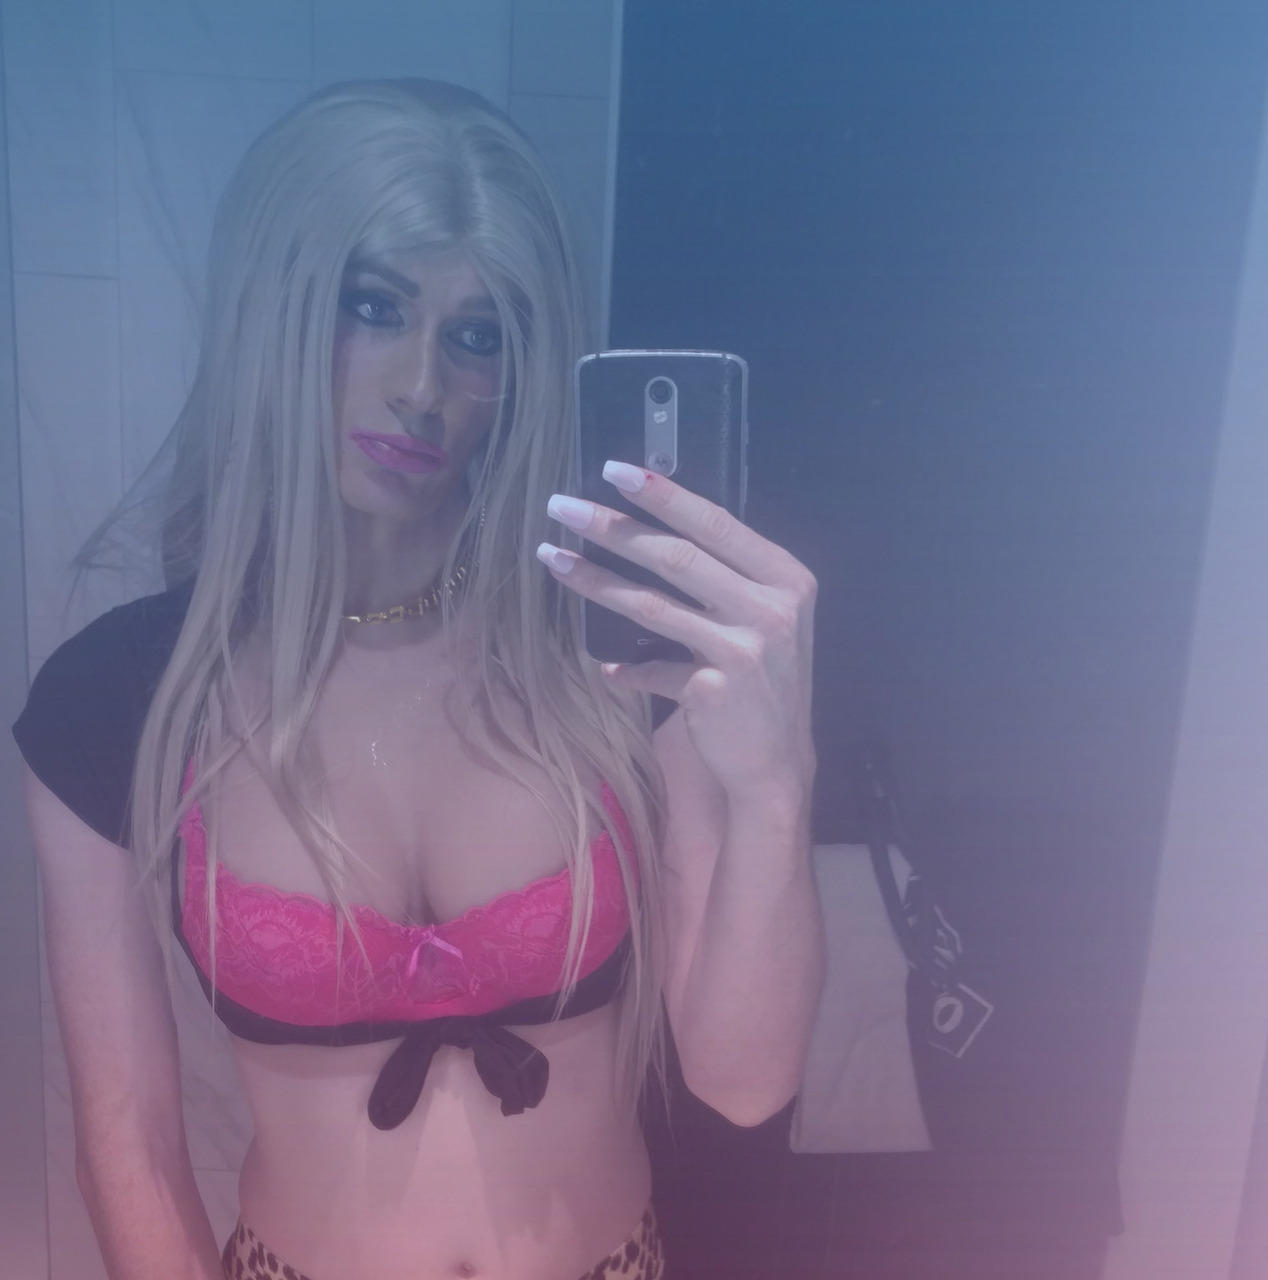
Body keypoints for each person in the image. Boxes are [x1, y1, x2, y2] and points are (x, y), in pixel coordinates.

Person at [14, 79, 822, 1280]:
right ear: (273, 309)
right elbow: (126, 1138)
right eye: (373, 306)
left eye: (476, 333)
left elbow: (744, 1081)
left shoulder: (616, 655)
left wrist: (773, 782)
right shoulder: (119, 698)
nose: (421, 385)